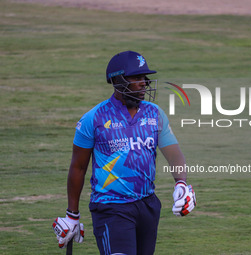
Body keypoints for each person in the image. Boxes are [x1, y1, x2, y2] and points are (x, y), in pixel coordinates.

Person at [52, 51, 196, 255]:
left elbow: (174, 154)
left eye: (144, 78)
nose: (144, 83)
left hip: (148, 206)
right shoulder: (93, 119)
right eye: (136, 78)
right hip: (111, 208)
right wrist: (72, 215)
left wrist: (181, 183)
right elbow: (78, 167)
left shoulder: (155, 114)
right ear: (118, 81)